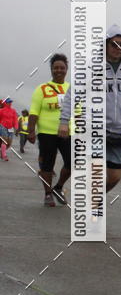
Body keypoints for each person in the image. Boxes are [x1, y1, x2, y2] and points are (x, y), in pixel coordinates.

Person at [59, 25, 121, 192]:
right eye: (114, 44)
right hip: (93, 129)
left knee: (115, 177)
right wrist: (64, 121)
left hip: (118, 131)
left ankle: (93, 199)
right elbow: (73, 94)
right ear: (105, 44)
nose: (118, 48)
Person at [27, 55, 71, 205]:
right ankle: (47, 194)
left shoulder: (72, 88)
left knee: (74, 162)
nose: (59, 70)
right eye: (55, 68)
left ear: (66, 69)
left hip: (68, 132)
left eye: (62, 68)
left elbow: (78, 110)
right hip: (47, 133)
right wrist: (31, 131)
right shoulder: (42, 89)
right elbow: (34, 111)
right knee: (47, 164)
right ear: (51, 70)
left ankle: (58, 187)